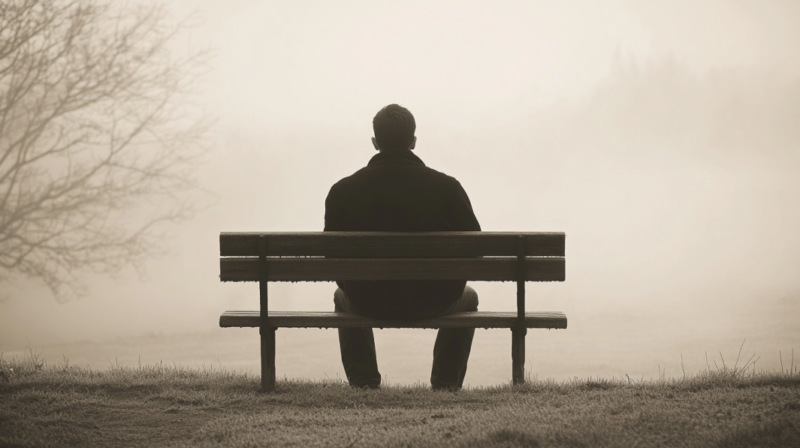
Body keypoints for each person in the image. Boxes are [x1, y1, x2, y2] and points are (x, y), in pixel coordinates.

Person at [324, 104, 481, 390]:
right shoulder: (447, 187)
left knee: (340, 296)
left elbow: (333, 258)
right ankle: (446, 383)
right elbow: (476, 249)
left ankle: (364, 383)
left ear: (375, 143)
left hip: (366, 300)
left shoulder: (343, 191)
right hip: (435, 299)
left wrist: (359, 286)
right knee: (469, 298)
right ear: (413, 142)